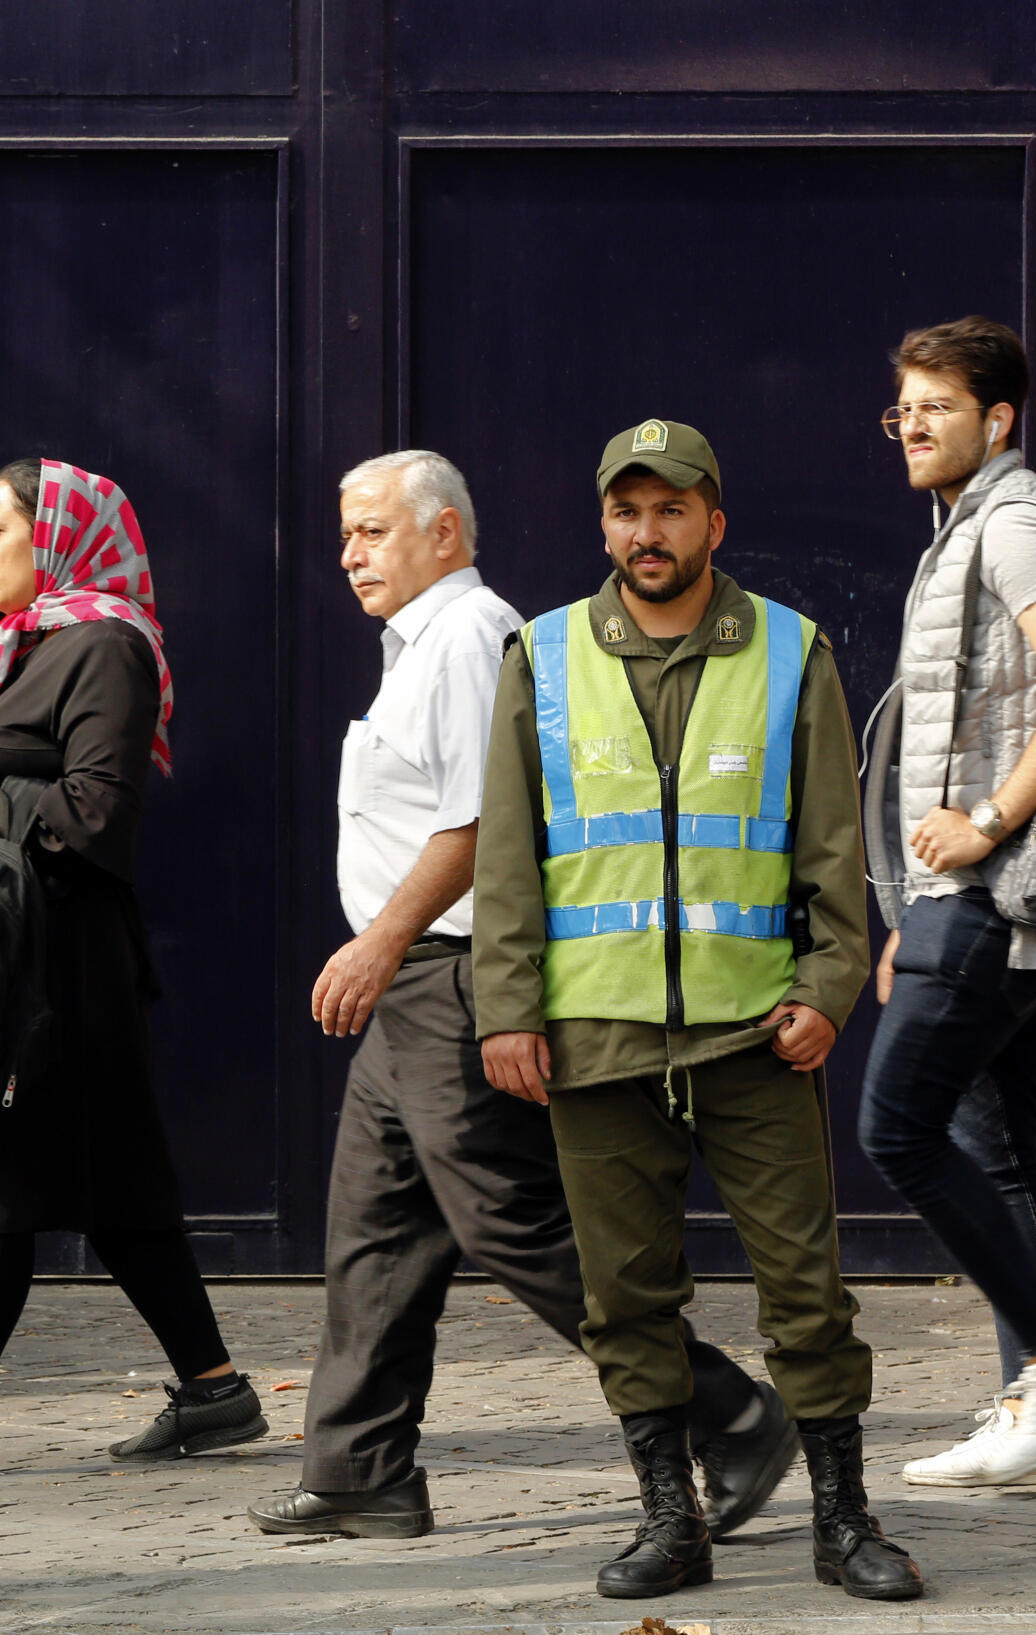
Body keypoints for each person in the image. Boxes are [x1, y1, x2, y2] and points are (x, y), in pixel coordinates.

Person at [246, 452, 793, 1544]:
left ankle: (729, 1414)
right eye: (344, 534)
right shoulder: (418, 644)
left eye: (372, 532)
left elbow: (479, 823)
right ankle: (359, 1470)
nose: (349, 554)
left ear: (442, 532)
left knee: (514, 1224)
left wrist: (377, 945)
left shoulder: (464, 639)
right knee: (373, 1227)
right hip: (409, 986)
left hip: (445, 977)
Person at [475, 420, 922, 1602]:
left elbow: (834, 846)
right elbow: (508, 859)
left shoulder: (789, 652)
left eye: (669, 509)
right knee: (623, 1298)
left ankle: (842, 1522)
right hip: (593, 1036)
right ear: (603, 524)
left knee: (806, 1292)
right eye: (625, 510)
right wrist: (503, 1011)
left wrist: (826, 988)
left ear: (711, 521)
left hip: (753, 1036)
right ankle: (670, 1522)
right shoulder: (542, 654)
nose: (646, 531)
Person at [0, 459, 262, 1479]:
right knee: (115, 1186)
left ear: (58, 536)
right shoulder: (20, 649)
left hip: (54, 967)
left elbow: (96, 816)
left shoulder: (105, 648)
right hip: (17, 952)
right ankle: (213, 1391)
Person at [858, 317, 1036, 1487]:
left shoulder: (1016, 524)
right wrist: (910, 903)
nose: (912, 424)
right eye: (900, 408)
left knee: (896, 1126)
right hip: (961, 890)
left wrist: (977, 828)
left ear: (996, 419)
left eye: (934, 404)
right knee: (991, 1142)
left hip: (995, 883)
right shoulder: (966, 528)